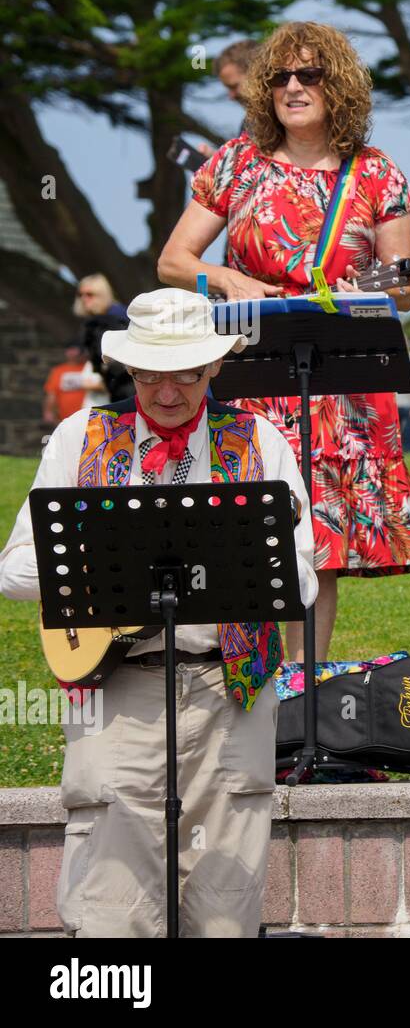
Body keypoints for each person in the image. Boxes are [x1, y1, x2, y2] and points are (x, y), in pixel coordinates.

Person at [0, 288, 317, 937]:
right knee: (111, 917)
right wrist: (111, 566)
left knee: (224, 917)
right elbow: (14, 570)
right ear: (128, 368)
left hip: (231, 692)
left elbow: (304, 580)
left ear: (216, 367)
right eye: (150, 373)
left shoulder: (261, 441)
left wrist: (245, 567)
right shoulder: (79, 437)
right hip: (118, 690)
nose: (167, 391)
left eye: (186, 374)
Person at [157, 20, 410, 663]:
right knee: (242, 527)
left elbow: (407, 285)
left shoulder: (375, 174)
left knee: (319, 543)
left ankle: (297, 690)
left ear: (335, 85)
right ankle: (241, 681)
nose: (293, 86)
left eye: (309, 74)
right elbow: (172, 260)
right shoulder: (235, 161)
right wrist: (224, 276)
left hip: (337, 376)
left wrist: (365, 282)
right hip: (252, 368)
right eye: (280, 76)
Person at [75, 274, 133, 402]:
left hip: (126, 389)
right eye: (81, 295)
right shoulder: (101, 319)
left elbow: (119, 364)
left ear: (103, 294)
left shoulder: (116, 318)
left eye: (90, 294)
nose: (84, 299)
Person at [42, 342, 88, 426]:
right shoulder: (58, 371)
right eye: (70, 349)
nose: (72, 353)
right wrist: (48, 411)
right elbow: (52, 393)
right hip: (64, 418)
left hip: (87, 416)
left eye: (75, 349)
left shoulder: (89, 368)